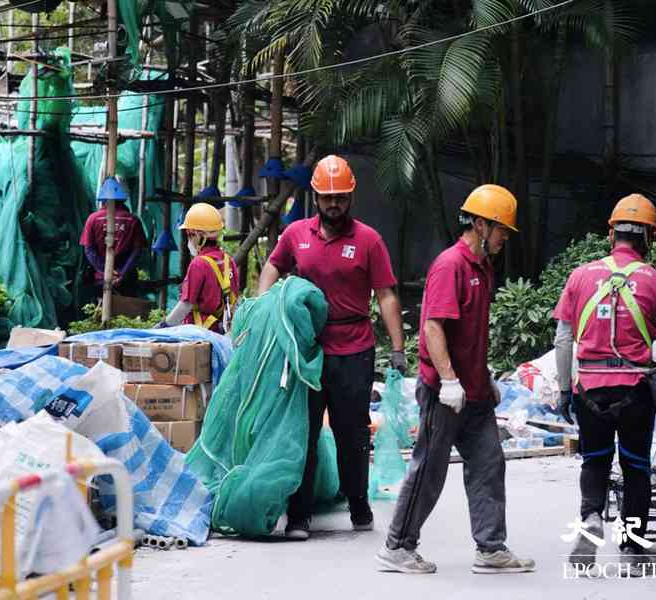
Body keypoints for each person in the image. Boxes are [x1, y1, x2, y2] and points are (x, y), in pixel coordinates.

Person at [377, 184, 536, 575]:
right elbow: (433, 328)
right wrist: (449, 381)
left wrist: (484, 379)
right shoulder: (451, 265)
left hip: (475, 393)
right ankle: (398, 546)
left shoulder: (482, 266)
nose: (504, 238)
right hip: (444, 392)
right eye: (502, 230)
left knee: (488, 464)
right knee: (429, 469)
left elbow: (471, 333)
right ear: (481, 225)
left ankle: (491, 548)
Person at [553, 193, 656, 575]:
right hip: (634, 388)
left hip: (589, 388)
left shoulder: (580, 276)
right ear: (649, 238)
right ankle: (632, 553)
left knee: (595, 461)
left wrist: (562, 389)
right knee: (636, 468)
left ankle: (591, 521)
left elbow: (562, 339)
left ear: (612, 235)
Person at [257, 154, 406, 541]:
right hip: (307, 351)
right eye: (327, 197)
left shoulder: (369, 240)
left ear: (351, 197)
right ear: (316, 197)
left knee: (351, 432)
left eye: (341, 197)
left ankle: (358, 504)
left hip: (354, 349)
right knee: (302, 432)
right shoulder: (296, 235)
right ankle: (299, 516)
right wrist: (262, 306)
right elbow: (273, 267)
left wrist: (398, 347)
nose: (334, 204)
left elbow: (387, 295)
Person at [158, 203, 240, 334]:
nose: (188, 240)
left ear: (198, 235)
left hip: (199, 335)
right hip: (222, 334)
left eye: (189, 235)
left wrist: (163, 326)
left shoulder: (199, 264)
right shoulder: (228, 260)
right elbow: (235, 301)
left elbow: (185, 306)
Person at [79, 178, 147, 298]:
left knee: (98, 312)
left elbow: (89, 250)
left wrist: (105, 271)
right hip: (126, 278)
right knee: (127, 313)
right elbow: (137, 251)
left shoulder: (93, 219)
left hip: (100, 279)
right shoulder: (133, 220)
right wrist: (122, 273)